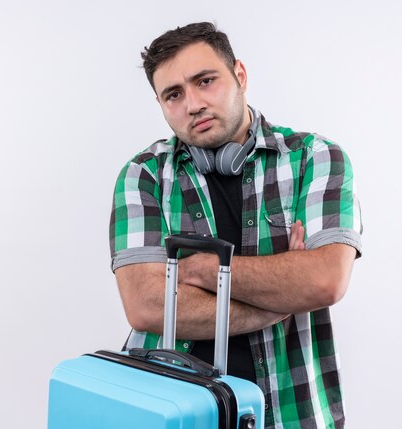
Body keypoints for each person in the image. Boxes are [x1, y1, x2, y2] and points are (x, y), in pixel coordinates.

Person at [109, 22, 362, 428]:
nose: (193, 104)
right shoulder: (144, 176)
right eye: (173, 95)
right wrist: (282, 298)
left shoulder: (316, 158)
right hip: (174, 411)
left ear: (239, 75)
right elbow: (147, 306)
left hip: (292, 410)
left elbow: (325, 281)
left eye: (205, 81)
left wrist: (204, 270)